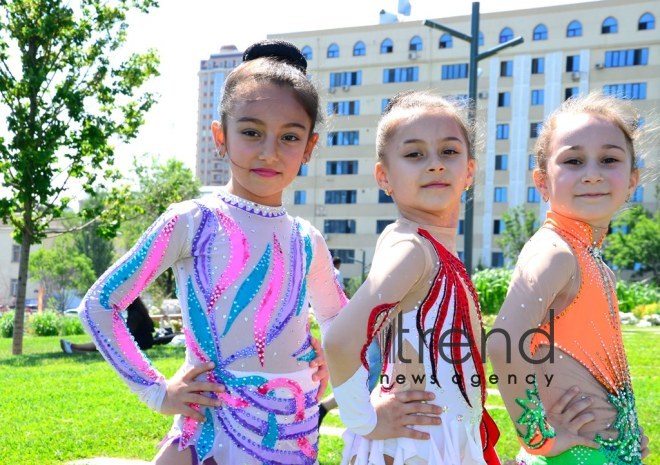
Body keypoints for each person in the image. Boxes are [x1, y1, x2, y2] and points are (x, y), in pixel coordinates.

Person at [78, 41, 437, 465]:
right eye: (251, 132)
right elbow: (100, 305)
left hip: (296, 434)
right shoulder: (192, 221)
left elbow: (343, 326)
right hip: (215, 433)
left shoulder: (307, 239)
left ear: (309, 147)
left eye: (289, 137)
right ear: (220, 136)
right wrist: (157, 391)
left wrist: (333, 359)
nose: (269, 151)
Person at [325, 90, 499, 465]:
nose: (435, 164)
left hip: (439, 436)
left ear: (469, 170)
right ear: (384, 176)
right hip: (416, 446)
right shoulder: (413, 250)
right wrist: (362, 420)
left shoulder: (425, 245)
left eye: (449, 152)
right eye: (414, 154)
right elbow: (340, 340)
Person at [488, 92, 651, 465]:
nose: (592, 173)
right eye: (574, 161)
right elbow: (505, 343)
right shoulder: (555, 251)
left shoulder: (592, 260)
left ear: (631, 180)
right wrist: (537, 436)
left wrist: (626, 431)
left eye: (608, 159)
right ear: (542, 182)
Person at [61, 297, 170, 353]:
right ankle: (74, 347)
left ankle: (73, 347)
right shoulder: (139, 312)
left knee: (105, 342)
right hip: (144, 342)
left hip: (140, 343)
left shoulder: (135, 315)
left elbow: (127, 334)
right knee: (105, 341)